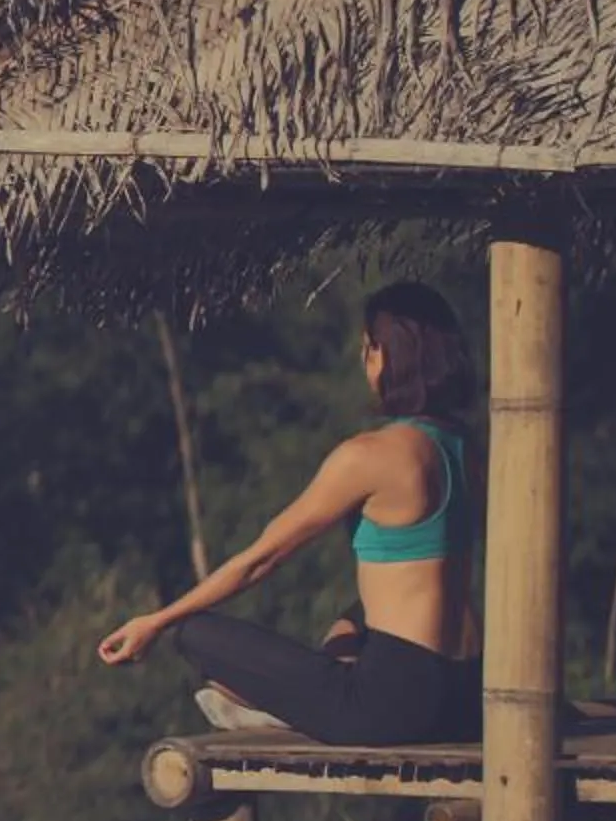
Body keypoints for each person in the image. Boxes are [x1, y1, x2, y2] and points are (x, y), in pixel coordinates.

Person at [96, 283, 482, 746]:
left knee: (191, 631)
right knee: (358, 612)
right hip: (464, 692)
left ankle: (293, 708)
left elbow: (262, 558)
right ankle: (307, 700)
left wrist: (154, 622)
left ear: (382, 355)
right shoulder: (466, 448)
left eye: (367, 350)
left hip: (393, 707)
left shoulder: (371, 455)